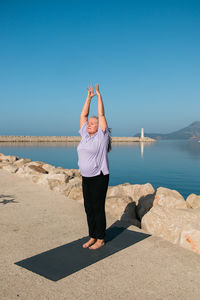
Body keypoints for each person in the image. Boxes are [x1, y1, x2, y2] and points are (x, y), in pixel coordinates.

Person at [77, 83, 111, 250]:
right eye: (88, 123)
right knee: (88, 207)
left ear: (99, 127)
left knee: (98, 207)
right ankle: (92, 235)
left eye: (93, 123)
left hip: (99, 176)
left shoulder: (101, 137)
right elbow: (83, 114)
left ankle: (101, 238)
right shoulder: (85, 135)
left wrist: (99, 95)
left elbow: (101, 114)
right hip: (86, 177)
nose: (89, 124)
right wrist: (88, 98)